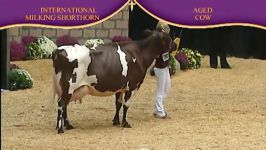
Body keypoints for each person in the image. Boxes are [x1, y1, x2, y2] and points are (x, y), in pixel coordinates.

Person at [153, 21, 172, 119]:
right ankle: (160, 112)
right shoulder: (158, 41)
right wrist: (169, 48)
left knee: (167, 88)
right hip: (159, 68)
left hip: (165, 67)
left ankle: (157, 108)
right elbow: (161, 53)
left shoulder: (166, 40)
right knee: (160, 90)